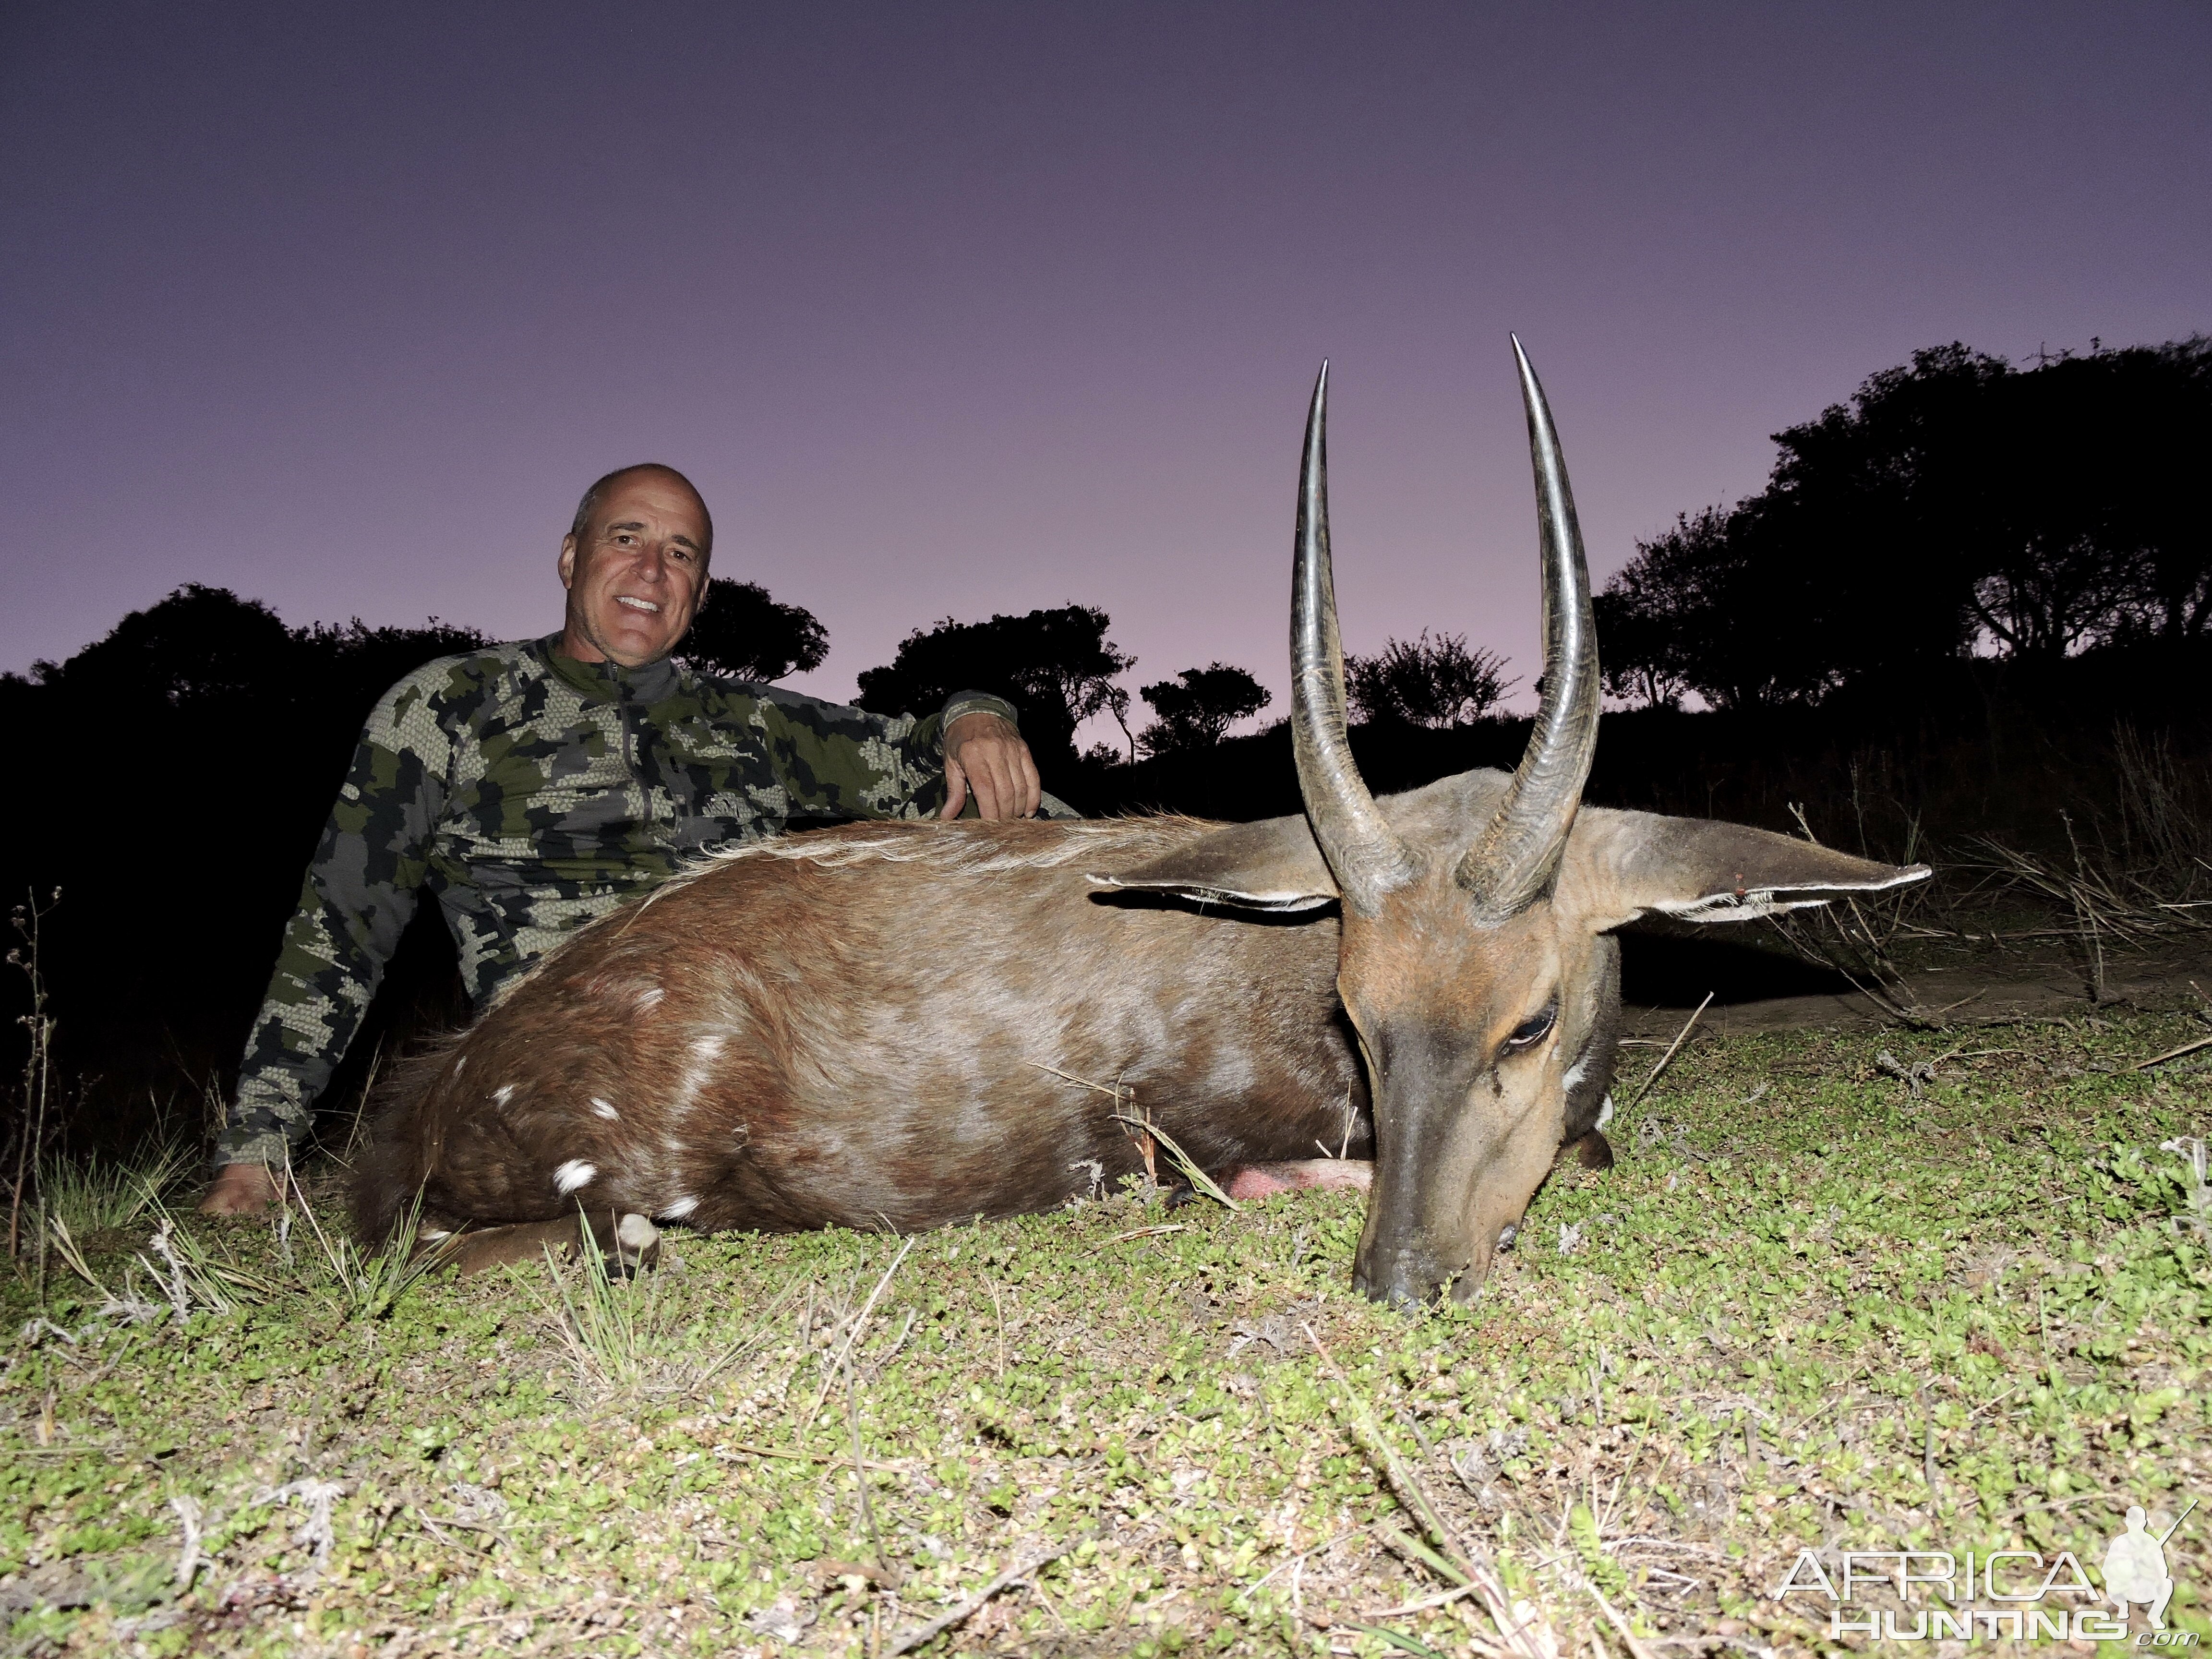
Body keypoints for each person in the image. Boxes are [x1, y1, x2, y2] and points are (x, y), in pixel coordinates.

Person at [202, 463, 1046, 1213]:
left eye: (681, 553)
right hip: (564, 1072)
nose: (652, 570)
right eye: (628, 537)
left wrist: (976, 715)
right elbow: (341, 929)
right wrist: (257, 1149)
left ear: (702, 592)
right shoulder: (445, 708)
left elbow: (938, 764)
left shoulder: (753, 720)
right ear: (571, 557)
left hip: (770, 1054)